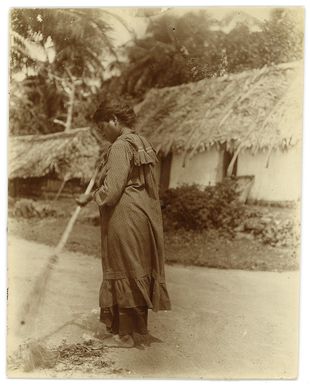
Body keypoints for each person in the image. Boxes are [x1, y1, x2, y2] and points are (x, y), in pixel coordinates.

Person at [76, 100, 171, 348]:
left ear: (114, 120)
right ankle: (139, 331)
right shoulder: (142, 143)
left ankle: (126, 335)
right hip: (143, 215)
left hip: (124, 216)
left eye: (103, 127)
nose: (102, 133)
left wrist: (91, 197)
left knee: (123, 269)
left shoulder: (120, 146)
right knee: (137, 267)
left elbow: (113, 190)